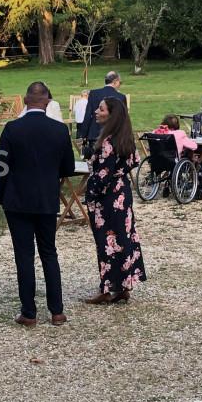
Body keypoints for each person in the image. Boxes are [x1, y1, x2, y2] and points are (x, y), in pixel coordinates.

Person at [0, 81, 75, 327]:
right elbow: (69, 167)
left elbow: (1, 168)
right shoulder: (59, 130)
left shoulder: (12, 128)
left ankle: (29, 312)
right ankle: (57, 310)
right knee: (49, 253)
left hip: (17, 200)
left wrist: (0, 197)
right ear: (48, 102)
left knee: (24, 255)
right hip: (46, 199)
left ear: (26, 101)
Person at [84, 97, 147, 304]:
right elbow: (134, 161)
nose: (96, 111)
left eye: (101, 109)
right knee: (124, 239)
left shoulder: (108, 142)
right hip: (122, 193)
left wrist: (90, 193)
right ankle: (124, 286)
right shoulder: (125, 138)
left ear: (111, 115)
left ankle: (107, 289)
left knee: (107, 242)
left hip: (107, 199)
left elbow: (102, 176)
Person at [78, 71, 125, 158]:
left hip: (95, 133)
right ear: (115, 81)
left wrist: (84, 134)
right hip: (113, 134)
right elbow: (123, 119)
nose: (120, 84)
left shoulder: (94, 93)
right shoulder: (121, 97)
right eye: (120, 82)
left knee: (94, 161)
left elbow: (88, 114)